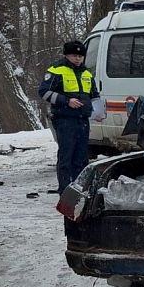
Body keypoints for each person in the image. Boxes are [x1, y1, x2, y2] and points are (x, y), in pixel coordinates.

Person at [38, 40, 100, 194]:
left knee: (81, 157)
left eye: (80, 56)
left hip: (82, 119)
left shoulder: (86, 73)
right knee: (66, 156)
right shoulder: (56, 70)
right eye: (74, 55)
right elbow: (44, 92)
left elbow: (94, 95)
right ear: (67, 55)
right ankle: (65, 190)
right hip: (64, 119)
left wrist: (98, 111)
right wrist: (66, 101)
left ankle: (80, 189)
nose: (78, 58)